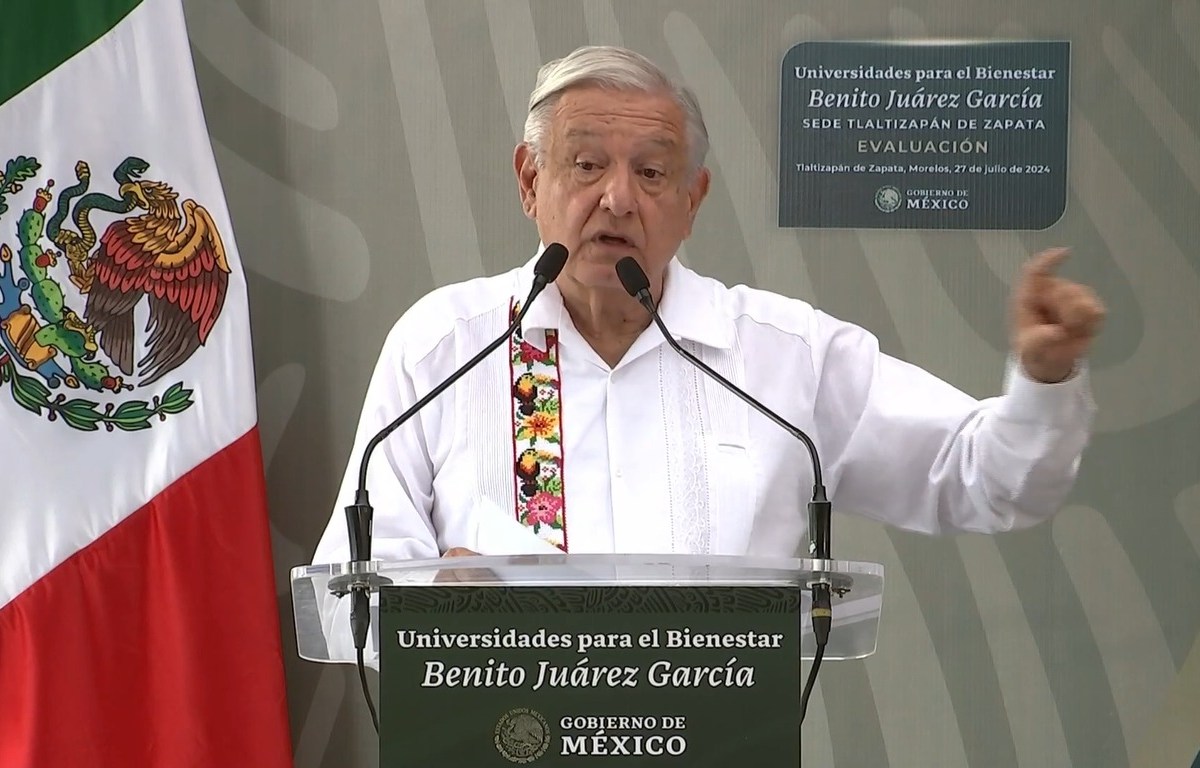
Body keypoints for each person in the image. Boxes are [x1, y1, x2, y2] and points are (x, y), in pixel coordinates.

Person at [312, 45, 1104, 567]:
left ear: (693, 201)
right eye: (585, 165)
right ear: (529, 182)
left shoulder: (782, 357)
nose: (617, 199)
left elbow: (983, 478)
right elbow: (354, 581)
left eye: (652, 174)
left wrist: (1044, 380)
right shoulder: (446, 348)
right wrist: (437, 610)